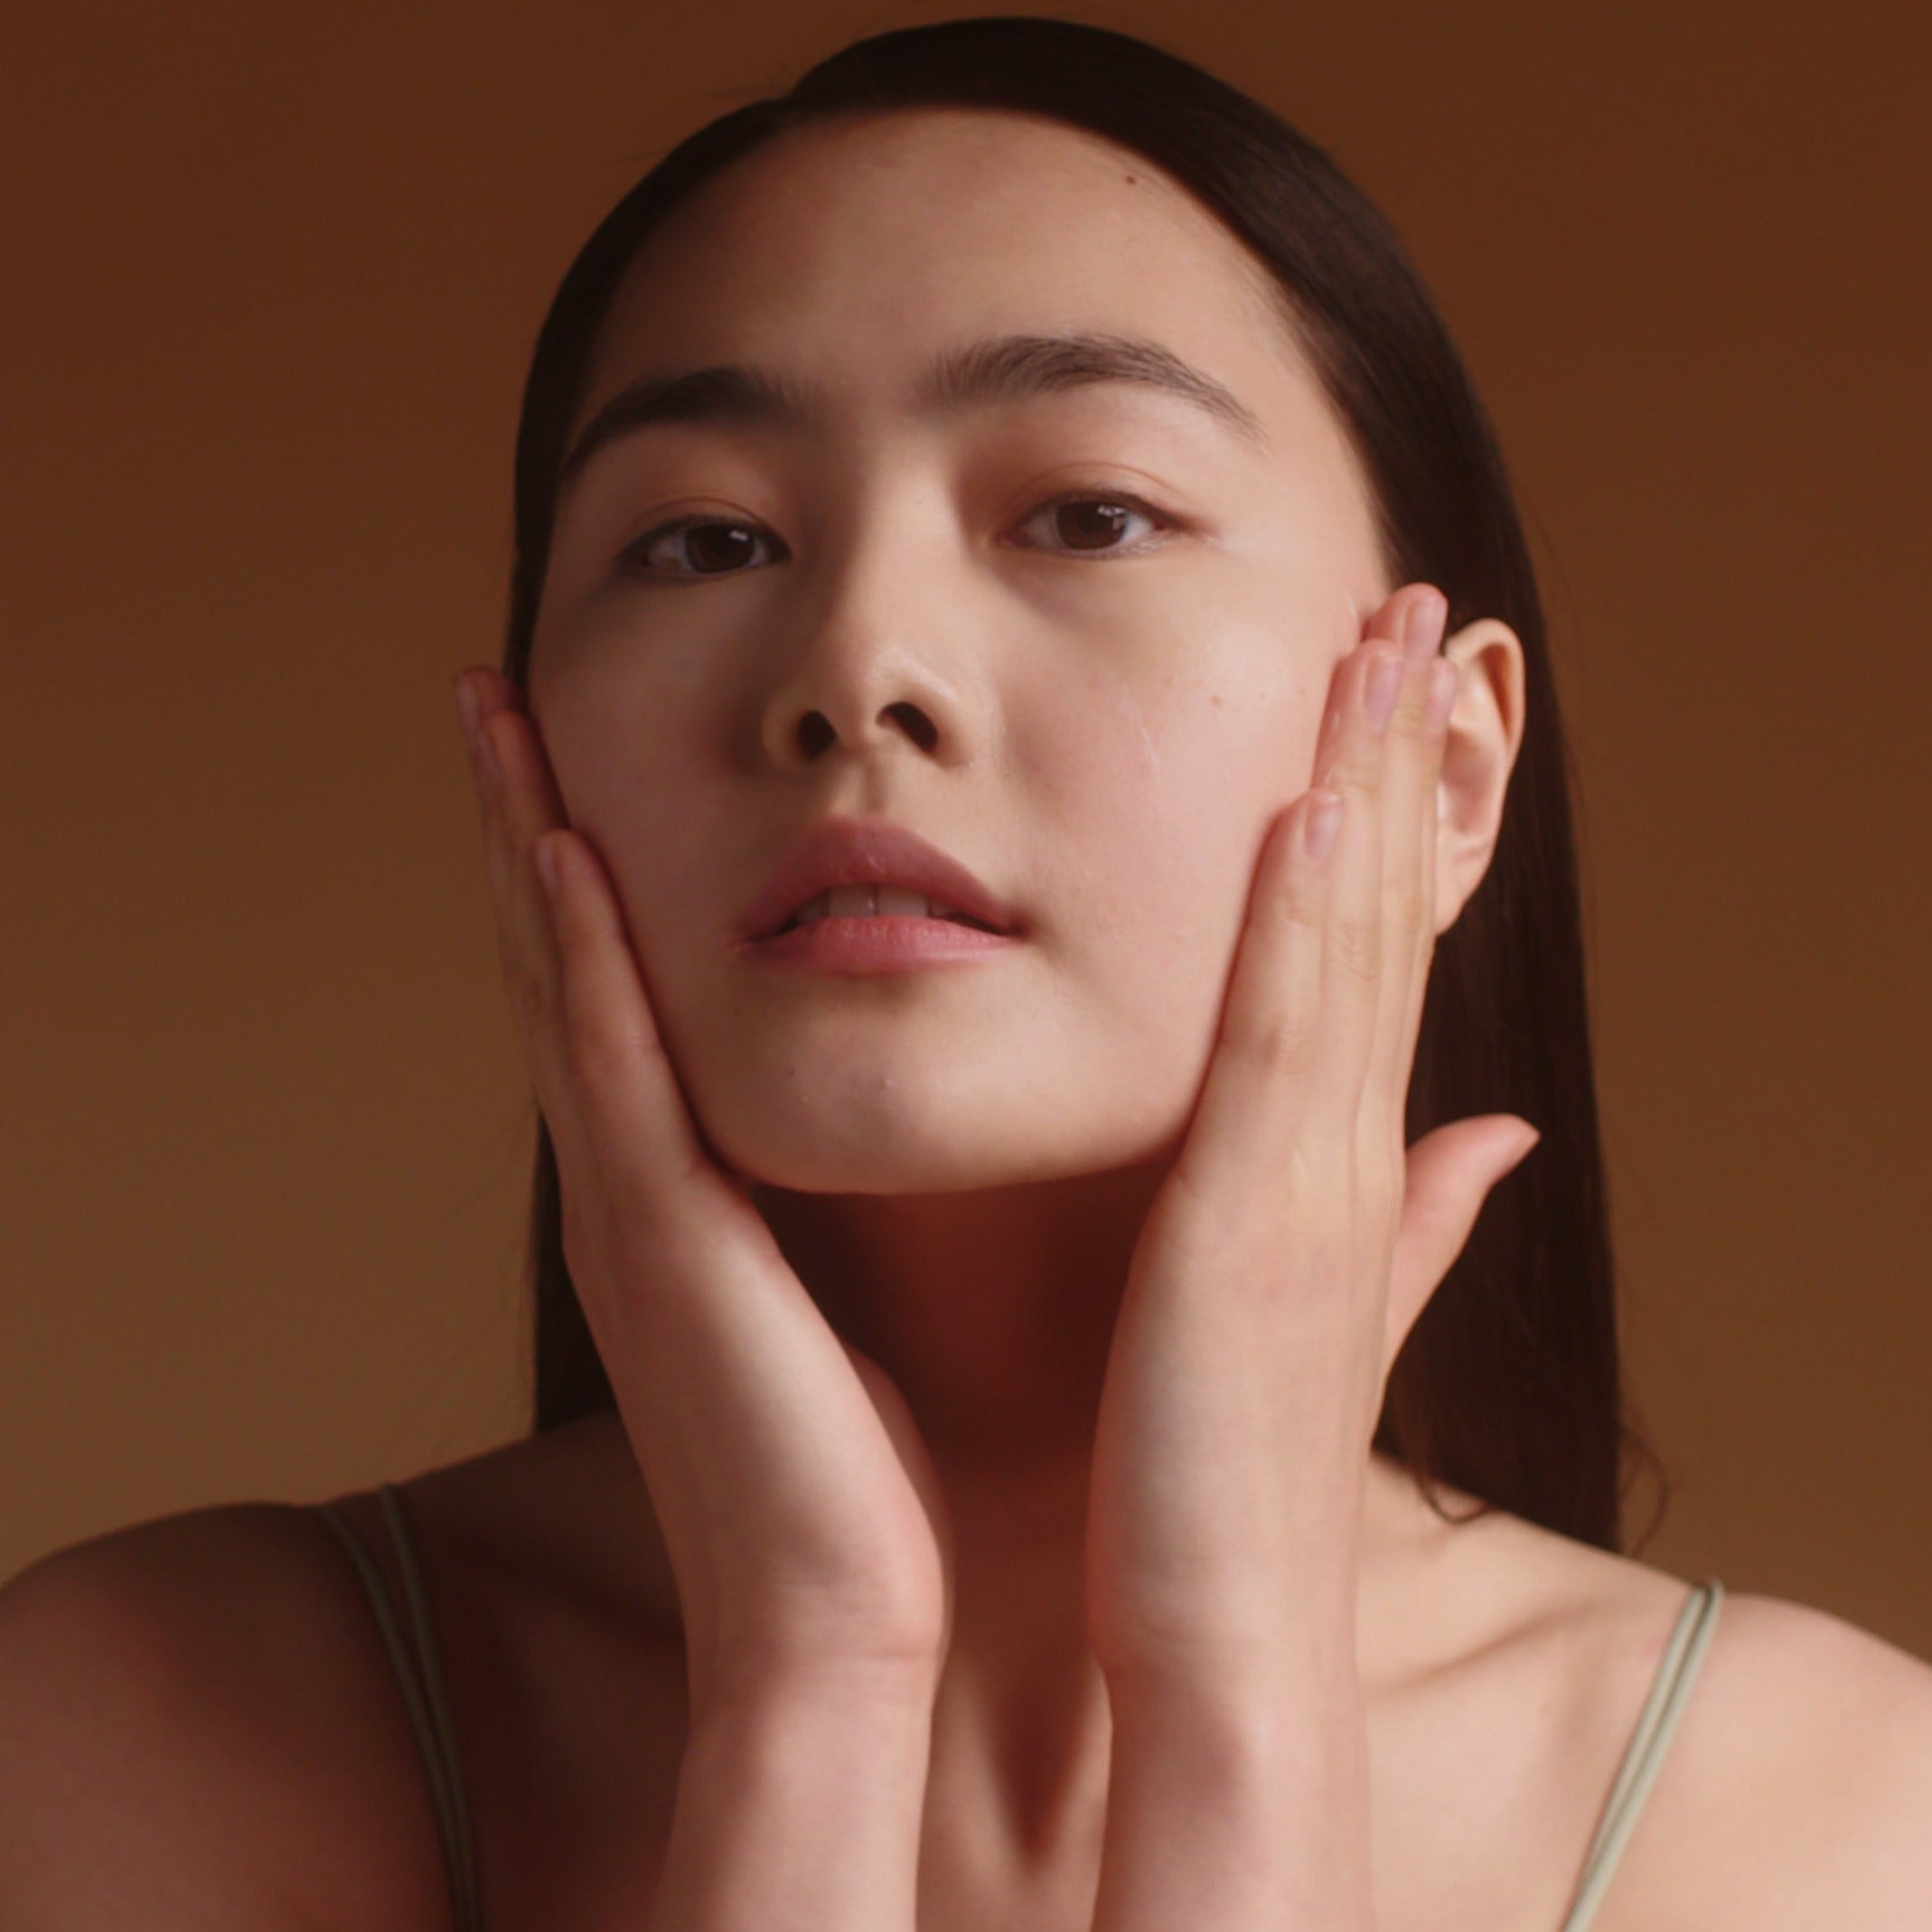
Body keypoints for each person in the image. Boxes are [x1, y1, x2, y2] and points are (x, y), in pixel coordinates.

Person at [4, 17, 1930, 1930]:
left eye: (1090, 515)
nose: (859, 667)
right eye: (704, 539)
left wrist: (1236, 1677)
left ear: (1442, 771)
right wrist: (810, 1675)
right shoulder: (141, 1731)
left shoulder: (1837, 1831)